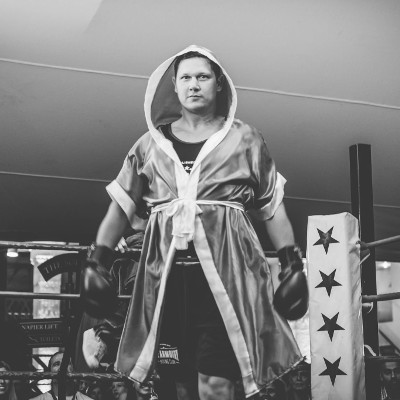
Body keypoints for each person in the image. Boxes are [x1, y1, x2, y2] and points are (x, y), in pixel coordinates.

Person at [81, 45, 308, 400]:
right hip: (166, 281)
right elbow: (120, 207)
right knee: (180, 384)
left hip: (227, 281)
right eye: (186, 77)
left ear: (219, 83)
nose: (194, 84)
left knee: (216, 384)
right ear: (174, 85)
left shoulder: (246, 138)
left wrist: (292, 264)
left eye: (202, 76)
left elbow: (272, 206)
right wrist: (99, 260)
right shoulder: (149, 144)